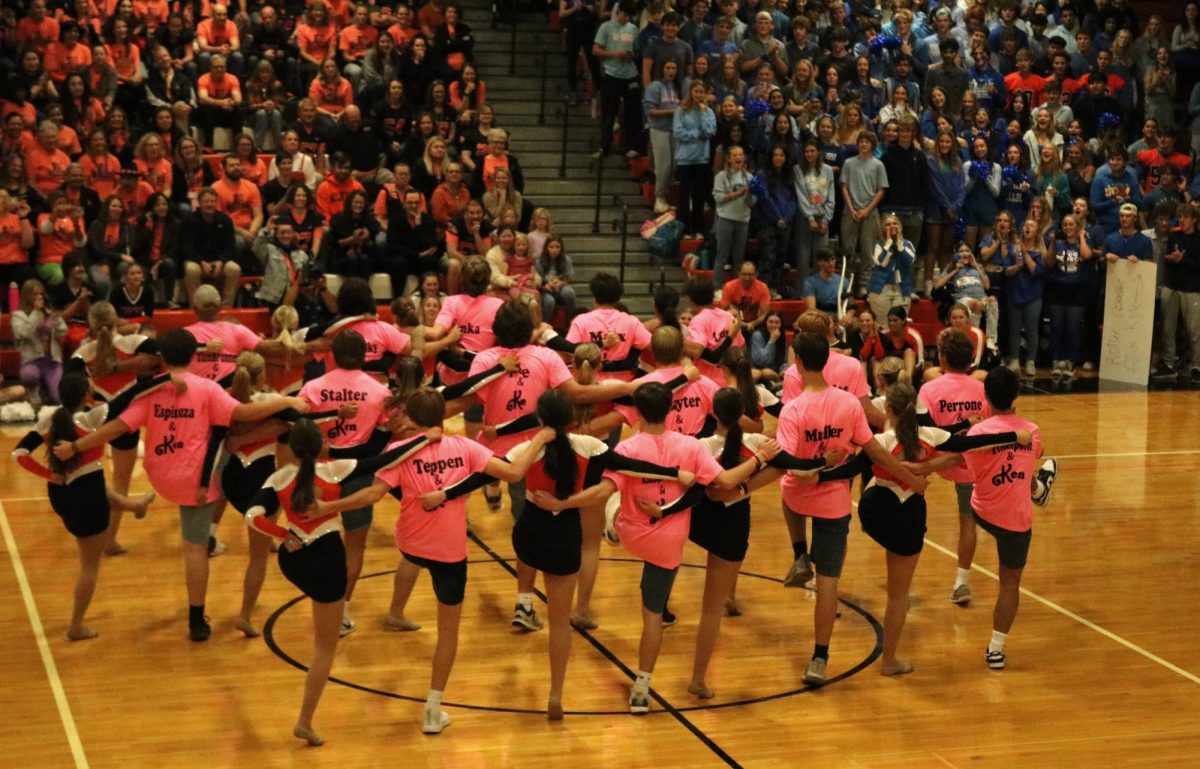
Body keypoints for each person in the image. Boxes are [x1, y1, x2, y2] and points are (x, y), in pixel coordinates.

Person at [423, 389, 684, 718]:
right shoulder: (590, 446)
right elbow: (631, 465)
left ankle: (524, 601)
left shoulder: (526, 449)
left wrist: (442, 494)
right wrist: (676, 474)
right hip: (565, 535)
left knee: (526, 556)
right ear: (574, 419)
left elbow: (481, 476)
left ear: (541, 419)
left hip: (531, 533)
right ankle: (556, 695)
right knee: (560, 624)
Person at [312, 387, 551, 733]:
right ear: (443, 415)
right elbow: (514, 474)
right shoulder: (465, 446)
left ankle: (396, 611)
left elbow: (372, 494)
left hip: (411, 540)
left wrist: (329, 508)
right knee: (447, 635)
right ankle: (433, 707)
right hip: (451, 552)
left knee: (411, 560)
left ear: (411, 418)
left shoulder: (399, 451)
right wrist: (540, 439)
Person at [532, 381, 773, 713]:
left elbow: (600, 492)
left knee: (611, 497)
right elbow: (728, 483)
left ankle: (612, 525)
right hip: (666, 541)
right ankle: (641, 690)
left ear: (639, 413)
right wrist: (761, 457)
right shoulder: (691, 447)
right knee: (654, 617)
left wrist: (563, 503)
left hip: (632, 532)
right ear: (670, 411)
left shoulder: (629, 449)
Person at [53, 328, 306, 641]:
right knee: (195, 546)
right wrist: (287, 402)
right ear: (194, 356)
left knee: (221, 448)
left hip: (159, 475)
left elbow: (117, 427)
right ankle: (196, 620)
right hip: (193, 482)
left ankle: (188, 510)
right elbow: (243, 411)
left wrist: (76, 448)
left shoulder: (151, 392)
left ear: (162, 357)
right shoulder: (208, 389)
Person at [798, 379, 1031, 675]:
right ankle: (889, 661)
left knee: (872, 494)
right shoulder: (930, 437)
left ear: (889, 409)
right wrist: (1015, 436)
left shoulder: (878, 442)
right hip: (908, 520)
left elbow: (847, 470)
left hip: (875, 514)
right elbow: (972, 443)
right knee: (898, 595)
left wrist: (817, 477)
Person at [775, 332, 932, 686]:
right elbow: (875, 453)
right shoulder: (848, 404)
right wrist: (914, 478)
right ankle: (819, 658)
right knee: (828, 583)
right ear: (827, 360)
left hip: (800, 493)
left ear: (798, 362)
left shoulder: (793, 408)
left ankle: (799, 551)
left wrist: (744, 484)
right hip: (834, 500)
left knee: (786, 491)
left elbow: (785, 462)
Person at [912, 367, 1049, 670]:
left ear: (986, 397)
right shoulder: (1032, 431)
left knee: (986, 496)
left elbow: (953, 458)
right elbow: (1037, 451)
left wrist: (919, 470)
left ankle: (1038, 488)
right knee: (1009, 584)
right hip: (1016, 520)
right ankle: (996, 649)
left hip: (983, 511)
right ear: (1016, 396)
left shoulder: (977, 432)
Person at [13, 371, 157, 640]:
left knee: (98, 486)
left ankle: (135, 506)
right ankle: (76, 625)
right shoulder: (92, 417)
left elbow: (19, 453)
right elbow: (128, 397)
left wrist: (50, 475)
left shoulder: (48, 420)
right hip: (86, 493)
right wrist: (164, 378)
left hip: (61, 493)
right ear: (85, 395)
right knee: (90, 566)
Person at [297, 330, 392, 636]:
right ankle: (343, 611)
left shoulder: (312, 388)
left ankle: (322, 605)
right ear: (365, 355)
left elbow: (298, 430)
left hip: (318, 473)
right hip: (357, 473)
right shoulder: (379, 392)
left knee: (317, 543)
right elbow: (382, 438)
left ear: (332, 355)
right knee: (354, 544)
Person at [1156, 202, 1200, 380]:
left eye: (1185, 217)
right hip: (1172, 285)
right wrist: (1172, 259)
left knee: (1194, 330)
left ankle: (1196, 365)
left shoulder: (1199, 238)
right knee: (1168, 327)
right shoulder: (1174, 236)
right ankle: (1168, 363)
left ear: (1194, 219)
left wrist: (1182, 260)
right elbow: (1167, 260)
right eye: (1180, 217)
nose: (1182, 220)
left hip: (1192, 288)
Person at [840, 131, 888, 294]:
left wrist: (867, 210)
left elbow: (881, 190)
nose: (864, 144)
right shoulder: (849, 163)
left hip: (870, 212)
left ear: (872, 145)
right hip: (850, 211)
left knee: (868, 251)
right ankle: (847, 284)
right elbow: (844, 187)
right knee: (848, 249)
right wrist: (852, 208)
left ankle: (864, 285)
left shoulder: (878, 165)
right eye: (861, 141)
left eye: (867, 142)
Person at [593, 3, 642, 159]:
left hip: (630, 74)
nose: (626, 18)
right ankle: (604, 146)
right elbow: (596, 50)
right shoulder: (606, 27)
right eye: (624, 15)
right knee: (609, 112)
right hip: (611, 74)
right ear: (618, 12)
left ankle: (630, 146)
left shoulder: (633, 29)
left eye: (629, 16)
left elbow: (638, 51)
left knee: (632, 113)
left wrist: (631, 55)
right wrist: (615, 54)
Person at [672, 79, 717, 238]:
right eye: (696, 91)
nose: (698, 95)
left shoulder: (709, 112)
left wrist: (703, 114)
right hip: (685, 160)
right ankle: (684, 229)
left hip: (701, 160)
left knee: (699, 196)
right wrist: (696, 134)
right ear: (691, 92)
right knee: (683, 197)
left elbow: (710, 132)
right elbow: (678, 133)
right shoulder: (681, 110)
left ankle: (698, 229)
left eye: (701, 92)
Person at [13, 278, 68, 405]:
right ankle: (34, 389)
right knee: (29, 375)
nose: (39, 297)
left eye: (41, 294)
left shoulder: (48, 313)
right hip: (32, 360)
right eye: (35, 294)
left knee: (57, 398)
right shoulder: (18, 315)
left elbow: (63, 331)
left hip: (52, 361)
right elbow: (24, 333)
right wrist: (35, 313)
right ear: (27, 296)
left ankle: (46, 390)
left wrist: (55, 318)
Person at [867, 213, 916, 322]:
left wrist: (899, 243)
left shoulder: (907, 244)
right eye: (888, 225)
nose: (892, 226)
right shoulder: (878, 245)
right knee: (882, 326)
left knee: (899, 324)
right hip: (881, 290)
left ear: (900, 227)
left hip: (901, 290)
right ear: (883, 228)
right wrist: (888, 243)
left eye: (895, 224)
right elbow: (882, 263)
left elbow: (910, 260)